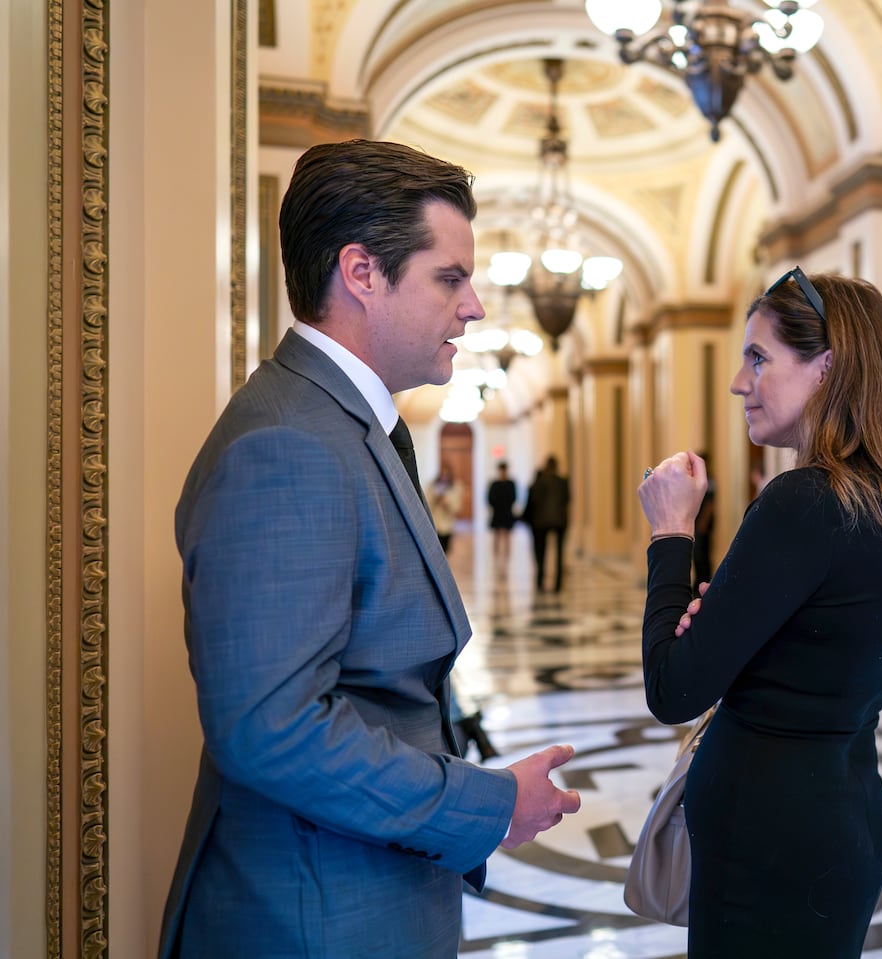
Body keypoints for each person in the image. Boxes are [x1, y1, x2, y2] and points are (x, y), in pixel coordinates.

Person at [158, 139, 581, 959]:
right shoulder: (289, 446)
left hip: (361, 891)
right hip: (313, 917)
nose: (475, 307)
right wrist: (485, 806)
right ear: (361, 273)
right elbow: (271, 728)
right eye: (450, 278)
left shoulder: (344, 424)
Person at [636, 268, 882, 957]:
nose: (738, 382)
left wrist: (670, 533)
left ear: (825, 369)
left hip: (767, 838)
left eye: (759, 357)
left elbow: (673, 687)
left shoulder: (804, 500)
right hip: (840, 816)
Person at [524, 455, 570, 593]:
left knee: (540, 551)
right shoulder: (562, 481)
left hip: (540, 522)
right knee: (559, 553)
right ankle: (558, 584)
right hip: (559, 521)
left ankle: (540, 580)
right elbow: (567, 499)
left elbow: (532, 500)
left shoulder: (539, 481)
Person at [691, 450, 716, 590]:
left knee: (703, 554)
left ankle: (704, 581)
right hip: (697, 522)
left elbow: (710, 504)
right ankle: (698, 581)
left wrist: (703, 523)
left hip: (703, 525)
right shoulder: (701, 479)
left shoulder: (710, 480)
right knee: (697, 554)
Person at [427, 463, 464, 554]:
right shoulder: (432, 486)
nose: (444, 476)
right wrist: (435, 499)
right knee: (435, 550)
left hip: (447, 524)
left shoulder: (455, 487)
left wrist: (447, 503)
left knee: (445, 550)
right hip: (435, 522)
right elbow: (427, 502)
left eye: (446, 474)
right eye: (442, 473)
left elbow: (457, 507)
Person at [487, 460, 518, 563]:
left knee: (507, 535)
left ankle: (506, 556)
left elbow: (514, 498)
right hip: (497, 512)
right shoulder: (495, 484)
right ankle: (496, 556)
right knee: (496, 535)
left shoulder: (511, 483)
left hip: (507, 512)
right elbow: (490, 498)